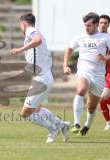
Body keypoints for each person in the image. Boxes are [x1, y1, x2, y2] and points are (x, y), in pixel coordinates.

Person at [10, 13, 70, 143]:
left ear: (24, 24)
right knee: (36, 109)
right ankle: (62, 125)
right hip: (42, 78)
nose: (21, 27)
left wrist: (19, 50)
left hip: (42, 79)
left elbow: (37, 40)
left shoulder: (30, 31)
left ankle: (53, 129)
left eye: (21, 25)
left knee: (25, 114)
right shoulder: (34, 31)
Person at [63, 12, 110, 136]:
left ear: (96, 25)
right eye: (85, 25)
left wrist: (106, 58)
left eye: (89, 25)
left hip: (98, 76)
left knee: (91, 107)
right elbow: (69, 49)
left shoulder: (105, 38)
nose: (86, 28)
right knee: (81, 90)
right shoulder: (80, 37)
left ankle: (87, 125)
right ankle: (76, 123)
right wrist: (65, 65)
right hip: (84, 71)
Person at [98, 14, 110, 130]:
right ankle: (108, 123)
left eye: (105, 23)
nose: (103, 25)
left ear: (108, 24)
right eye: (101, 23)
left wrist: (106, 58)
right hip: (97, 72)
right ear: (97, 24)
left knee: (103, 96)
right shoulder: (92, 38)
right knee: (101, 98)